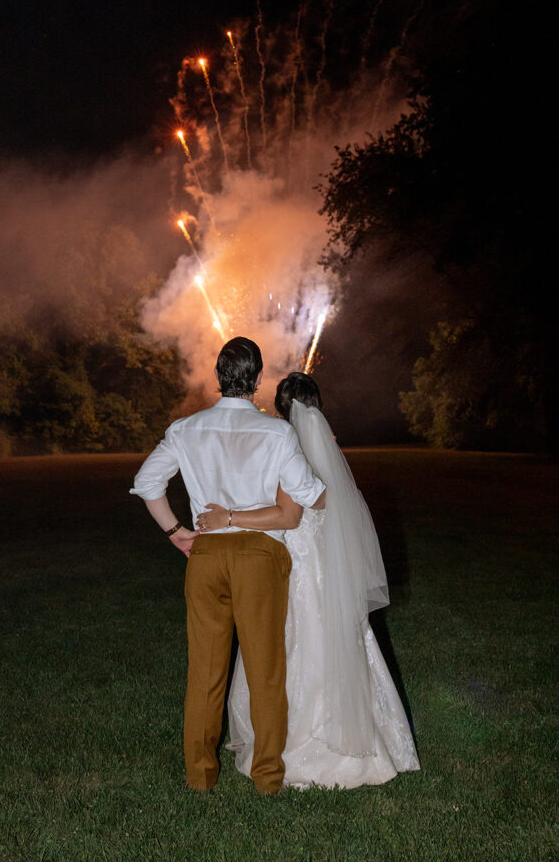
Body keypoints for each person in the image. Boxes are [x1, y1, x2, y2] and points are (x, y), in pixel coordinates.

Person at [197, 371, 420, 789]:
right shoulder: (328, 448)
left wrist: (229, 516)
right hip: (326, 570)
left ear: (281, 408)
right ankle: (361, 739)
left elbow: (287, 512)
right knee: (334, 640)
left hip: (292, 564)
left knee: (286, 645)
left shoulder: (284, 444)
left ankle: (292, 742)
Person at [130, 340, 325, 795]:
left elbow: (146, 483)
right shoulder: (277, 434)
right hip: (259, 557)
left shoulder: (186, 429)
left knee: (205, 671)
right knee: (265, 670)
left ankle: (200, 777)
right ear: (257, 379)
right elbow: (309, 494)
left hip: (207, 558)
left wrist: (176, 531)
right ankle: (267, 779)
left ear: (219, 376)